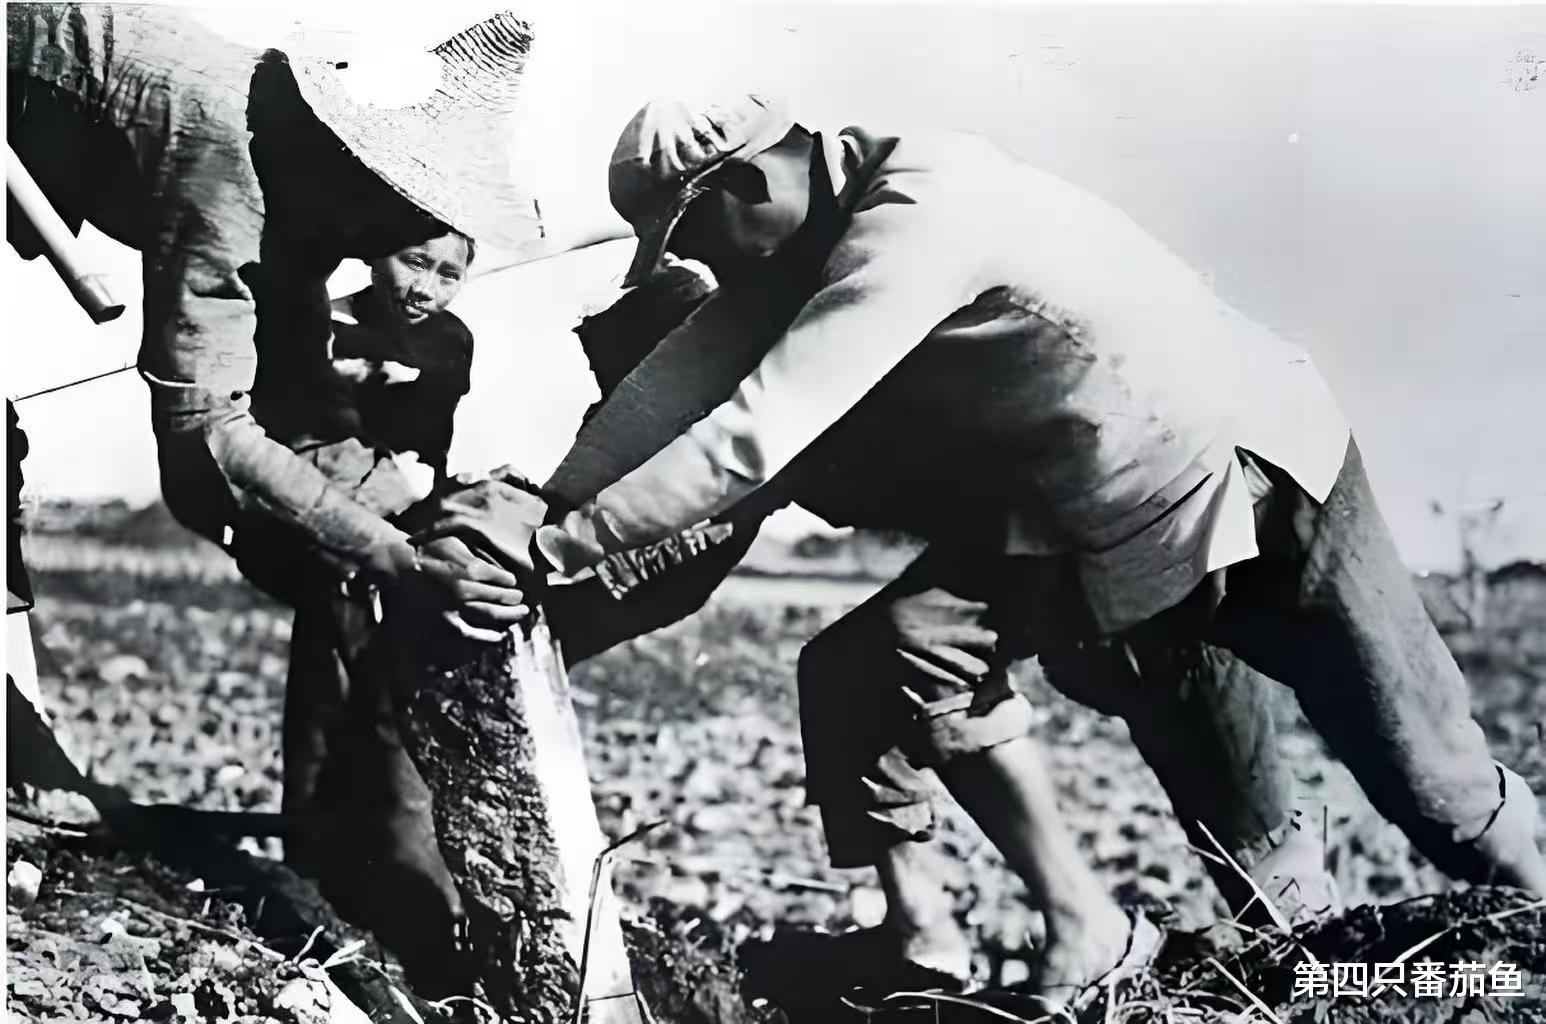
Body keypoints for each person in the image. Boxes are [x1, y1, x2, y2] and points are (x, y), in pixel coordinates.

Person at [422, 94, 1546, 1005]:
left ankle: (1523, 955)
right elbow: (676, 381)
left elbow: (753, 434)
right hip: (1106, 527)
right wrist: (543, 502)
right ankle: (1247, 970)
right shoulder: (800, 249)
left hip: (1259, 466)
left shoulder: (921, 208)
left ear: (748, 185)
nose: (705, 269)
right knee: (1241, 848)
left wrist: (553, 547)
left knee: (1438, 787)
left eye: (695, 239)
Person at [8, 4, 545, 988]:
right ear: (360, 168)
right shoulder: (232, 165)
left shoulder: (303, 217)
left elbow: (296, 419)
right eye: (401, 227)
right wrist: (395, 557)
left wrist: (397, 521)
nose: (396, 249)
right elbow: (210, 433)